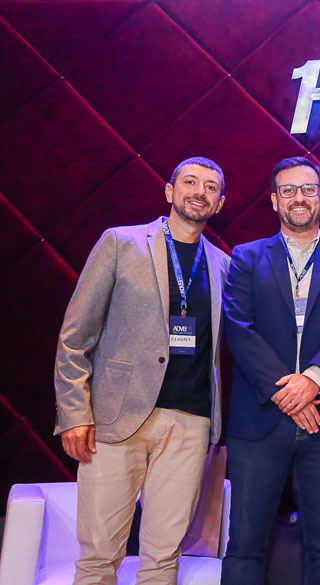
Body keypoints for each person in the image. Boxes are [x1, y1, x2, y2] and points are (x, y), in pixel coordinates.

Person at [53, 157, 229, 584]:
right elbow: (75, 336)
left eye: (210, 187)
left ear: (220, 203)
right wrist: (74, 413)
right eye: (190, 182)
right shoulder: (120, 243)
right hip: (116, 419)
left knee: (164, 557)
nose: (199, 192)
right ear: (169, 191)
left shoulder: (224, 264)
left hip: (190, 425)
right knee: (98, 556)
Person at [220, 156, 320, 585]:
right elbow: (238, 328)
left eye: (307, 189)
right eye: (288, 190)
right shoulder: (247, 257)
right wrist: (288, 392)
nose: (298, 198)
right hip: (259, 422)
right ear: (274, 201)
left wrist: (312, 381)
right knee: (245, 545)